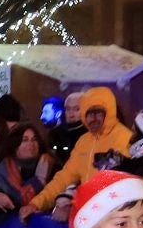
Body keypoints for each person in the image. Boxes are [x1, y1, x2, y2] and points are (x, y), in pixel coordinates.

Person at [26, 87, 133, 215]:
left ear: (109, 111)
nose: (93, 119)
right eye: (88, 113)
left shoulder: (124, 138)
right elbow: (64, 178)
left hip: (113, 216)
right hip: (87, 215)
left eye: (98, 113)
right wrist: (36, 203)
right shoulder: (84, 141)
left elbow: (120, 184)